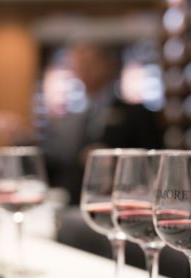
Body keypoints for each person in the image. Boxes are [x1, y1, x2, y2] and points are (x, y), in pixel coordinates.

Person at [42, 43, 164, 204]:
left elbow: (154, 161)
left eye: (89, 62)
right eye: (78, 64)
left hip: (121, 203)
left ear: (107, 65)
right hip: (76, 204)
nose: (84, 69)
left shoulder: (136, 113)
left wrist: (113, 158)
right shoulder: (70, 119)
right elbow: (57, 164)